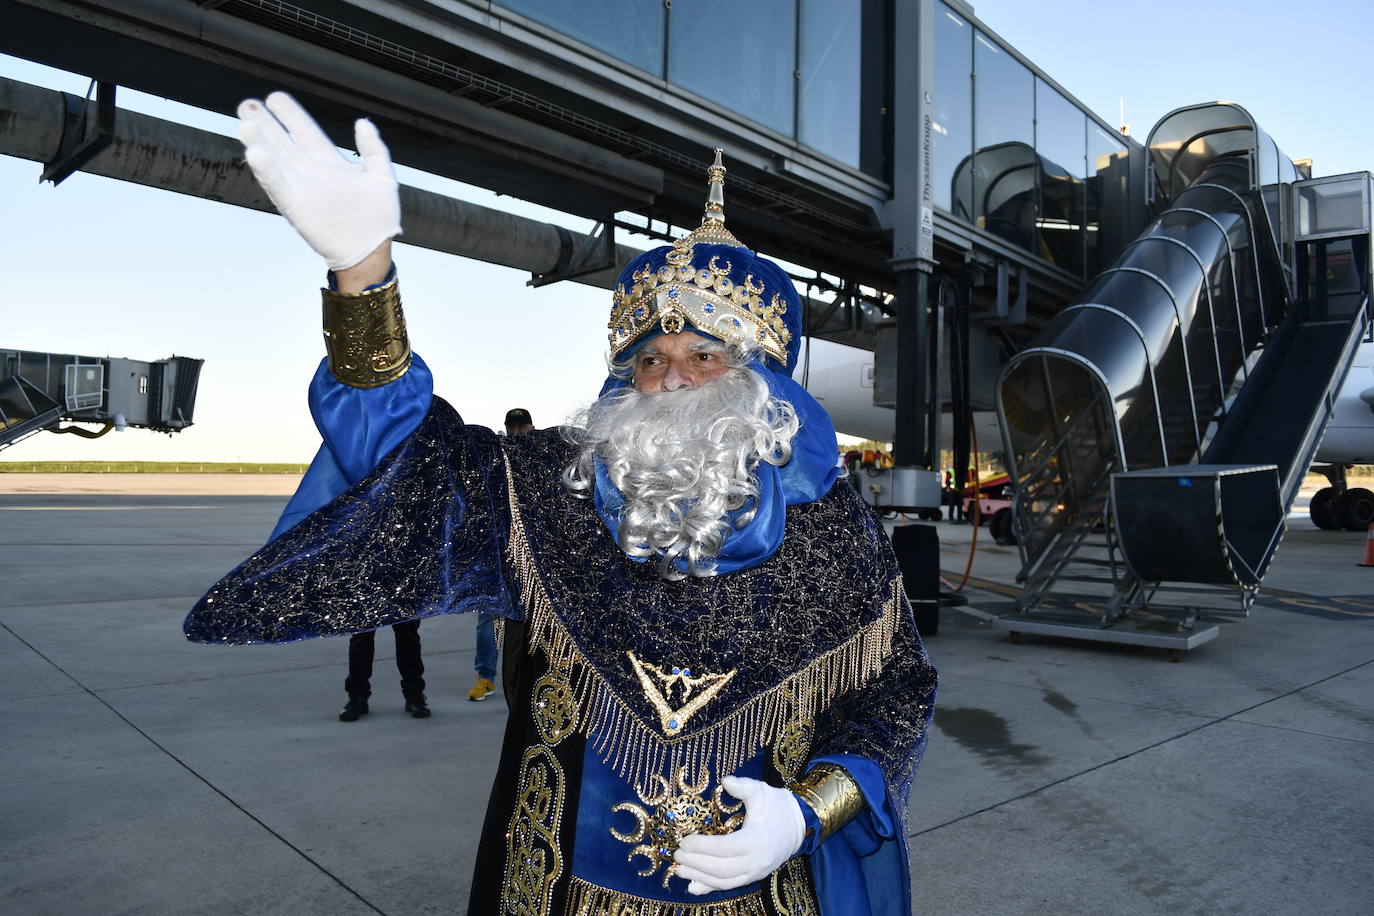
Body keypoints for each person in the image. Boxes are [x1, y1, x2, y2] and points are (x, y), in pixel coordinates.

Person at [186, 92, 936, 915]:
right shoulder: (553, 488)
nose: (671, 376)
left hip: (763, 896)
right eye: (649, 358)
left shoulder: (832, 526)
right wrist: (364, 276)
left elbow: (893, 692)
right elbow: (408, 462)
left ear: (767, 383)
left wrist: (805, 814)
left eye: (704, 354)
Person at [469, 407, 537, 702]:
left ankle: (532, 679)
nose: (518, 432)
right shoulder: (497, 459)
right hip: (500, 552)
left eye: (523, 427)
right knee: (488, 618)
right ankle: (485, 677)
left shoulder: (541, 458)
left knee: (535, 622)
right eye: (513, 427)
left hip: (535, 555)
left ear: (532, 427)